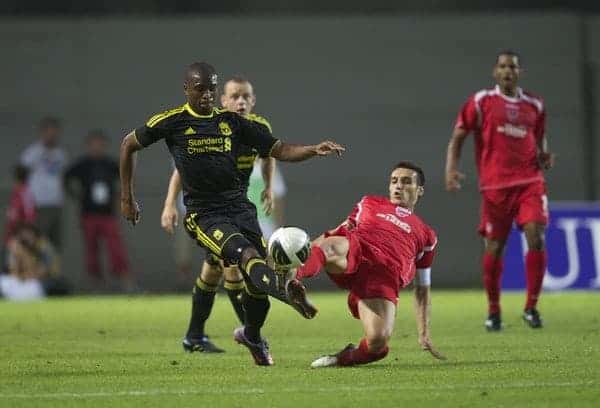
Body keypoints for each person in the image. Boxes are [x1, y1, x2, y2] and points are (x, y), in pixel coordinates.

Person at [120, 62, 345, 366]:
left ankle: (251, 334)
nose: (207, 95)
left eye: (211, 88)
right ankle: (285, 293)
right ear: (186, 89)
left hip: (241, 209)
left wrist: (313, 149)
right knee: (246, 259)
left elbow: (278, 150)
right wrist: (128, 198)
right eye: (200, 88)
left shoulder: (234, 123)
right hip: (204, 215)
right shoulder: (172, 122)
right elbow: (128, 144)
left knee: (254, 288)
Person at [161, 76, 281, 353]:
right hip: (211, 210)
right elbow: (181, 169)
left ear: (253, 101)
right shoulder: (211, 128)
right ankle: (253, 337)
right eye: (234, 96)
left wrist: (269, 187)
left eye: (246, 97)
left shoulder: (259, 127)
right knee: (234, 269)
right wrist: (169, 204)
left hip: (236, 207)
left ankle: (194, 336)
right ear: (223, 100)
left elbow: (269, 153)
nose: (240, 101)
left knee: (213, 271)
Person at [283, 162, 443, 367]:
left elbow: (422, 288)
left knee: (377, 342)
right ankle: (292, 277)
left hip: (383, 274)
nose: (398, 186)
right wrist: (299, 256)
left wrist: (424, 332)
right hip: (356, 249)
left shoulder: (426, 235)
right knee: (332, 245)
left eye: (406, 182)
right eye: (394, 181)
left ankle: (343, 358)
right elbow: (335, 232)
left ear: (419, 190)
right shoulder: (369, 203)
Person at [445, 50, 555, 331]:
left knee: (536, 235)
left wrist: (544, 154)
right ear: (495, 72)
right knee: (495, 247)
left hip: (530, 182)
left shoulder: (535, 104)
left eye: (513, 67)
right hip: (495, 187)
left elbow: (540, 136)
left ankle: (531, 306)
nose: (508, 71)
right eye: (503, 66)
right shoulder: (482, 102)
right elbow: (458, 136)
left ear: (520, 72)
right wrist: (451, 170)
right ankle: (493, 311)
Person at [64, 130, 133, 291]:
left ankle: (124, 280)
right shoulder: (82, 165)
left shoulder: (110, 164)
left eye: (99, 144)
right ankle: (96, 284)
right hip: (88, 213)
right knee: (91, 250)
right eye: (93, 144)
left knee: (115, 248)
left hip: (108, 214)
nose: (97, 147)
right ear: (88, 146)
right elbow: (66, 177)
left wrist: (122, 198)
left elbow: (127, 177)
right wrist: (76, 195)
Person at [20, 117, 67, 251]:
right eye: (48, 131)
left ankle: (53, 271)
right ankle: (34, 271)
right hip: (38, 204)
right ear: (42, 132)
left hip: (56, 204)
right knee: (37, 240)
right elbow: (21, 176)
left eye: (54, 131)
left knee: (54, 243)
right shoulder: (32, 152)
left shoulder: (60, 154)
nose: (51, 134)